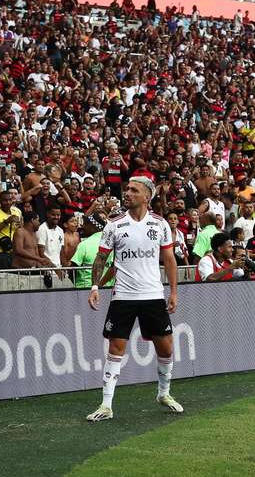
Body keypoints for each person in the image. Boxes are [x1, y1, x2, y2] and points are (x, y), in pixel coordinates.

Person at [86, 176, 181, 422]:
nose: (127, 193)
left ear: (146, 197)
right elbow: (101, 258)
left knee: (166, 347)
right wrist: (95, 286)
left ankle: (164, 393)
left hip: (153, 295)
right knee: (115, 349)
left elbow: (169, 259)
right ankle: (106, 405)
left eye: (133, 190)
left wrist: (173, 291)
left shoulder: (160, 224)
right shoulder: (114, 225)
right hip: (123, 297)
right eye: (127, 189)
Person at [70, 214, 112, 289]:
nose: (83, 227)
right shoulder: (110, 243)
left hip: (85, 289)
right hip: (108, 289)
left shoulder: (84, 244)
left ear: (93, 226)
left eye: (86, 224)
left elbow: (72, 269)